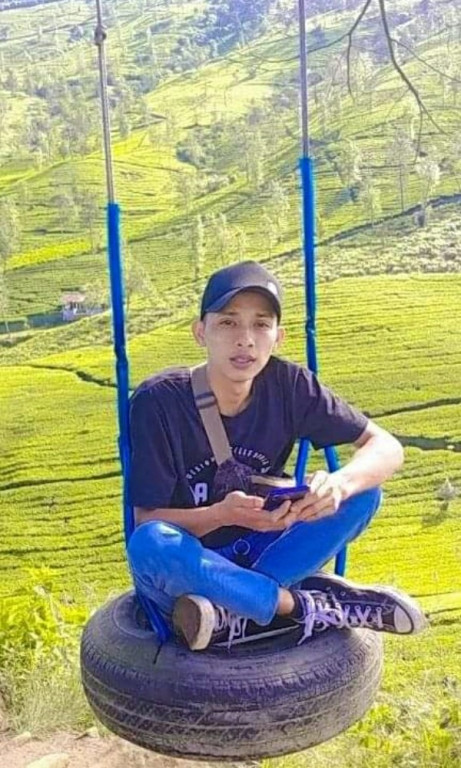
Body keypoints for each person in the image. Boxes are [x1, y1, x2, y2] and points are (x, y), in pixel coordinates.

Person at [127, 261, 427, 651]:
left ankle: (235, 612)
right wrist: (222, 514)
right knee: (150, 543)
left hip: (266, 552)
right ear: (201, 332)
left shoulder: (289, 385)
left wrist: (337, 485)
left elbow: (386, 447)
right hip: (195, 565)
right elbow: (147, 520)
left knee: (364, 493)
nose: (245, 340)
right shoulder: (159, 401)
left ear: (278, 336)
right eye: (228, 323)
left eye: (261, 325)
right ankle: (300, 606)